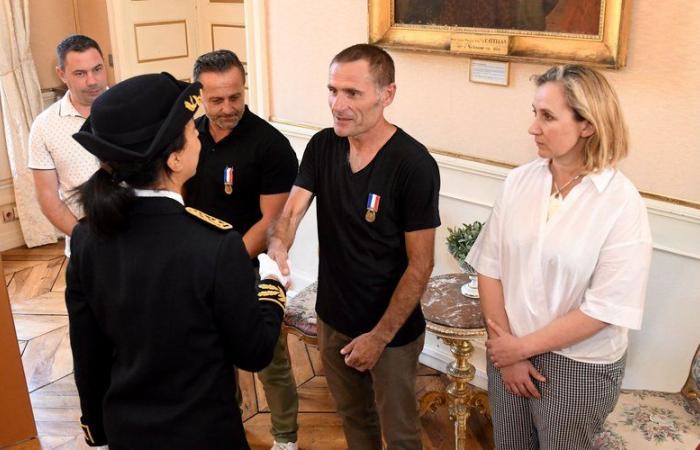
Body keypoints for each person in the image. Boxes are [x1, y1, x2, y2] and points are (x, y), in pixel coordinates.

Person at [66, 72, 288, 449]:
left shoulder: (86, 236)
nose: (199, 134)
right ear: (174, 158)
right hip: (203, 434)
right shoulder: (215, 246)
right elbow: (253, 352)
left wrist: (98, 432)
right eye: (190, 130)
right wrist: (271, 288)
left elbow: (87, 351)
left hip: (128, 432)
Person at [466, 64, 652, 449]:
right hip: (507, 347)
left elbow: (604, 309)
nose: (534, 127)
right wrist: (509, 351)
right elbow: (489, 268)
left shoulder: (620, 202)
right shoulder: (519, 181)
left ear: (588, 124)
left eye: (548, 116)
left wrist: (521, 349)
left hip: (578, 366)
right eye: (534, 113)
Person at [268, 44, 441, 450]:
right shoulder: (322, 145)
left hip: (391, 332)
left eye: (352, 93)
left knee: (399, 434)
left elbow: (421, 266)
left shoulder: (414, 165)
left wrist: (378, 338)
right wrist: (278, 247)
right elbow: (291, 213)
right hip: (332, 317)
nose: (337, 105)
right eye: (332, 90)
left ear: (387, 94)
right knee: (353, 420)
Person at [185, 50, 300, 450]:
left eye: (235, 96)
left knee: (271, 360)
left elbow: (271, 221)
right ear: (199, 95)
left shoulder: (270, 145)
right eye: (216, 100)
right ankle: (227, 427)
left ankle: (285, 438)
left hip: (250, 267)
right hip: (196, 268)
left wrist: (227, 262)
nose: (228, 107)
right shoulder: (187, 138)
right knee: (212, 358)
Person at [28, 34, 108, 255]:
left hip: (142, 240)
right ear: (61, 74)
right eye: (80, 73)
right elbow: (47, 197)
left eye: (97, 69)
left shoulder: (133, 108)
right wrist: (84, 237)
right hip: (86, 246)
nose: (92, 81)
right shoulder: (43, 127)